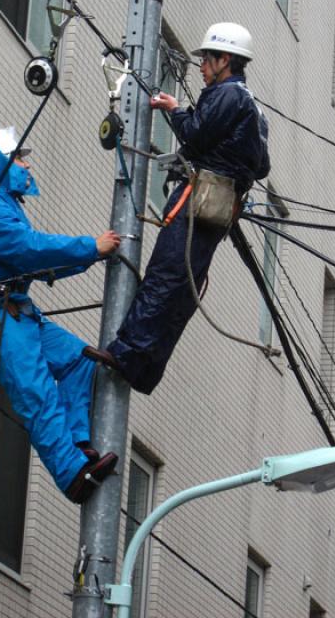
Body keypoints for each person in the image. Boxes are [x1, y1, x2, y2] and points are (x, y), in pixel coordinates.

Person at [0, 126, 121, 504]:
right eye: (20, 158)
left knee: (79, 360)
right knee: (33, 386)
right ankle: (71, 472)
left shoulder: (5, 208)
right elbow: (30, 250)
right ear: (1, 165)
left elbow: (35, 259)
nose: (27, 165)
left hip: (9, 307)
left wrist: (90, 253)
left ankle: (78, 445)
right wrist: (91, 247)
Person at [101, 22, 270, 395]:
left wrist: (175, 110)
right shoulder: (253, 107)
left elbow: (193, 134)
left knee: (165, 276)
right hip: (222, 207)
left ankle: (127, 353)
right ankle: (145, 371)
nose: (201, 67)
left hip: (199, 197)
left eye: (207, 60)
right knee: (181, 290)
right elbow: (262, 167)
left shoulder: (228, 95)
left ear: (225, 60)